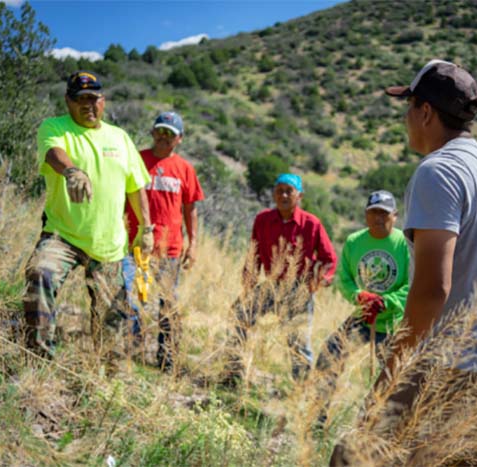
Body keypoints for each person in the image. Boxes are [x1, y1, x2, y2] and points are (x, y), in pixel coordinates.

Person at [330, 60, 477, 465]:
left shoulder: (437, 172)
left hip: (457, 363)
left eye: (409, 106)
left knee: (356, 455)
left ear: (425, 112)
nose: (405, 118)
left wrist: (390, 376)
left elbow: (432, 290)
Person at [24, 70, 153, 358]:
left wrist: (147, 229)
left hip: (109, 244)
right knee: (40, 274)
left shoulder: (120, 138)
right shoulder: (54, 127)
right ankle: (39, 358)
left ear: (103, 101)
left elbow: (136, 188)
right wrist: (71, 171)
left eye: (94, 99)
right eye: (80, 99)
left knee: (113, 316)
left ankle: (108, 377)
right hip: (63, 235)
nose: (88, 105)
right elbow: (52, 153)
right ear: (68, 102)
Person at [225, 173, 337, 385]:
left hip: (299, 290)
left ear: (299, 195)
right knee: (238, 315)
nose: (284, 195)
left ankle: (300, 391)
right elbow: (254, 253)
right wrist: (248, 283)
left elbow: (329, 259)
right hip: (271, 285)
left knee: (298, 342)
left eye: (289, 191)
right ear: (274, 194)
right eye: (279, 191)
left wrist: (320, 281)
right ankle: (233, 372)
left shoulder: (311, 224)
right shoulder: (263, 220)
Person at [314, 190, 409, 422]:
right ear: (366, 215)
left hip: (393, 324)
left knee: (394, 376)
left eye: (384, 213)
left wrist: (387, 301)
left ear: (395, 216)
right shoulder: (354, 241)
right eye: (373, 212)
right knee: (329, 355)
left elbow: (412, 285)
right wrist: (359, 296)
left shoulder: (405, 244)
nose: (378, 218)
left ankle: (386, 426)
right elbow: (344, 279)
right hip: (363, 318)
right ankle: (318, 417)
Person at [123, 111, 205, 371]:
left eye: (170, 133)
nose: (163, 137)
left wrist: (193, 244)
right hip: (134, 243)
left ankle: (167, 359)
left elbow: (190, 209)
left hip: (169, 249)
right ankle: (131, 350)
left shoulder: (185, 169)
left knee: (168, 303)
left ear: (179, 138)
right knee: (130, 296)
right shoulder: (137, 160)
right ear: (152, 132)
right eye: (160, 131)